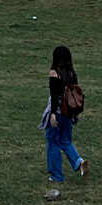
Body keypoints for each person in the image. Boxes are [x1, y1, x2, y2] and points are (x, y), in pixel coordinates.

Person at [40, 45, 87, 183]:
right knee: (65, 141)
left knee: (53, 142)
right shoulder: (72, 74)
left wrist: (52, 114)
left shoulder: (55, 74)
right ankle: (79, 162)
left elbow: (54, 96)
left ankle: (56, 176)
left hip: (58, 111)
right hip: (68, 113)